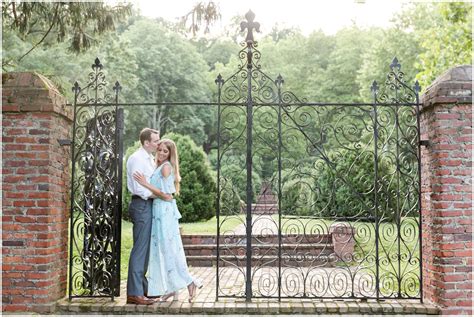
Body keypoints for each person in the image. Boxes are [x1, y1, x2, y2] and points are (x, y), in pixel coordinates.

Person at [133, 138, 202, 303]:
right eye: (160, 150)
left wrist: (145, 184)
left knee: (170, 250)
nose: (162, 153)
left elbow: (167, 196)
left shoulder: (165, 168)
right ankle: (171, 288)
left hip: (164, 212)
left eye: (166, 151)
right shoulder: (158, 166)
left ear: (171, 154)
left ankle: (191, 282)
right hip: (158, 211)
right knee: (162, 251)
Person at [126, 128, 172, 305]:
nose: (159, 143)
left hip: (148, 205)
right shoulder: (137, 159)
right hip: (142, 205)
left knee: (145, 251)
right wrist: (162, 195)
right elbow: (140, 189)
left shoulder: (148, 159)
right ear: (146, 142)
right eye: (155, 141)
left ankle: (142, 288)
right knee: (140, 249)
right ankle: (134, 293)